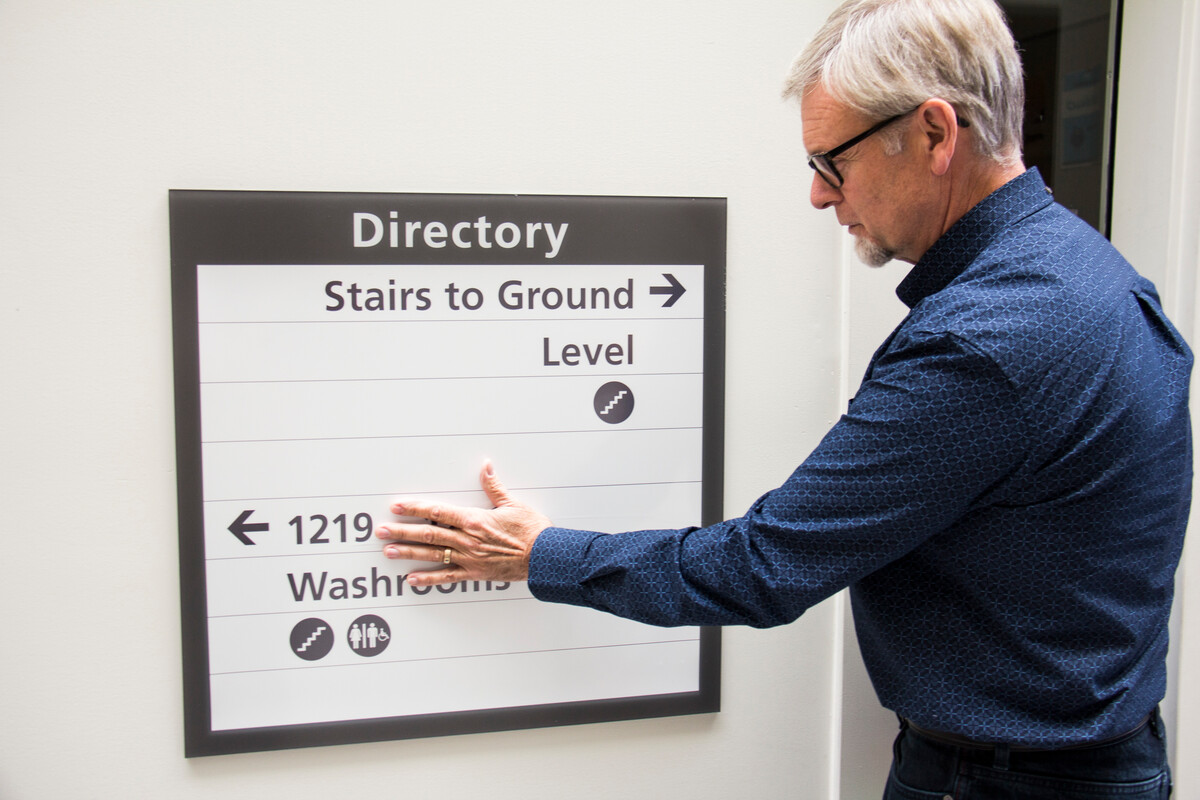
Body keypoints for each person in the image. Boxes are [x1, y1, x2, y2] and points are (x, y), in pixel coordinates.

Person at [374, 1, 1191, 796]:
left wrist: (539, 552)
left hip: (1004, 781)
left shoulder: (983, 345)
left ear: (936, 134)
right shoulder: (1092, 272)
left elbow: (763, 566)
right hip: (1102, 759)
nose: (819, 195)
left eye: (833, 162)